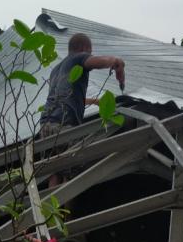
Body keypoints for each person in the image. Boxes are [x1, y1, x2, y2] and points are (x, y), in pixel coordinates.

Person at [40, 33, 125, 187]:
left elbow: (63, 96)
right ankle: (68, 211)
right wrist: (115, 61)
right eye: (89, 51)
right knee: (71, 175)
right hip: (64, 125)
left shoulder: (57, 70)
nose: (90, 54)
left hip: (46, 125)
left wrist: (94, 101)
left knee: (55, 171)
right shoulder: (78, 58)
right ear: (84, 49)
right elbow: (98, 62)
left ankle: (50, 211)